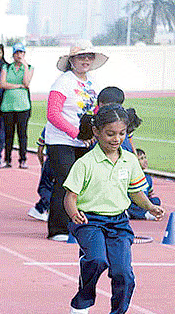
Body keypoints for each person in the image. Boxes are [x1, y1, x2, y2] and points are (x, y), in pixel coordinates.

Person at [64, 105, 164, 314]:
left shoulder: (130, 161)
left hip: (119, 223)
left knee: (123, 272)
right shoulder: (85, 163)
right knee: (97, 259)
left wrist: (149, 206)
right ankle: (82, 301)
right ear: (96, 132)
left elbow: (136, 192)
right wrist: (73, 213)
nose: (116, 139)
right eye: (110, 134)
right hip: (89, 220)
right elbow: (70, 196)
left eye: (121, 133)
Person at [44, 41, 106, 241]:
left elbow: (95, 110)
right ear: (71, 60)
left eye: (89, 57)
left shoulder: (93, 82)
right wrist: (75, 133)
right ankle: (58, 229)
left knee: (84, 183)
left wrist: (92, 133)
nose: (86, 60)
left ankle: (81, 224)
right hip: (61, 140)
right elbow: (53, 114)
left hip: (85, 141)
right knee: (65, 181)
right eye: (81, 57)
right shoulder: (63, 82)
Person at [0, 43, 33, 169]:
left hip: (23, 106)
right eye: (17, 53)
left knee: (22, 134)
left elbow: (27, 83)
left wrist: (24, 66)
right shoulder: (6, 67)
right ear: (13, 55)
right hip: (8, 106)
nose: (19, 55)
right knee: (8, 134)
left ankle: (23, 159)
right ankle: (7, 159)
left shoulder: (29, 67)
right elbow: (2, 84)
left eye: (21, 53)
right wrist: (17, 86)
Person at [130, 148, 161, 220]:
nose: (145, 161)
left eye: (145, 158)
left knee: (156, 200)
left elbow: (150, 194)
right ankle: (144, 214)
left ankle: (145, 212)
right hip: (133, 203)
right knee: (130, 206)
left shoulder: (148, 178)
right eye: (141, 159)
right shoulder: (131, 176)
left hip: (144, 203)